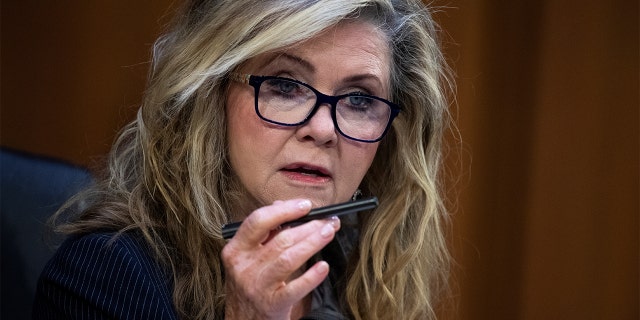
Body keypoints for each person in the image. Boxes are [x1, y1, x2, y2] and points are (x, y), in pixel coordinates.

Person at [33, 0, 453, 319]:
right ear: (211, 98)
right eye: (285, 86)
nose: (323, 129)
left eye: (360, 99)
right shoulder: (103, 277)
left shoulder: (366, 279)